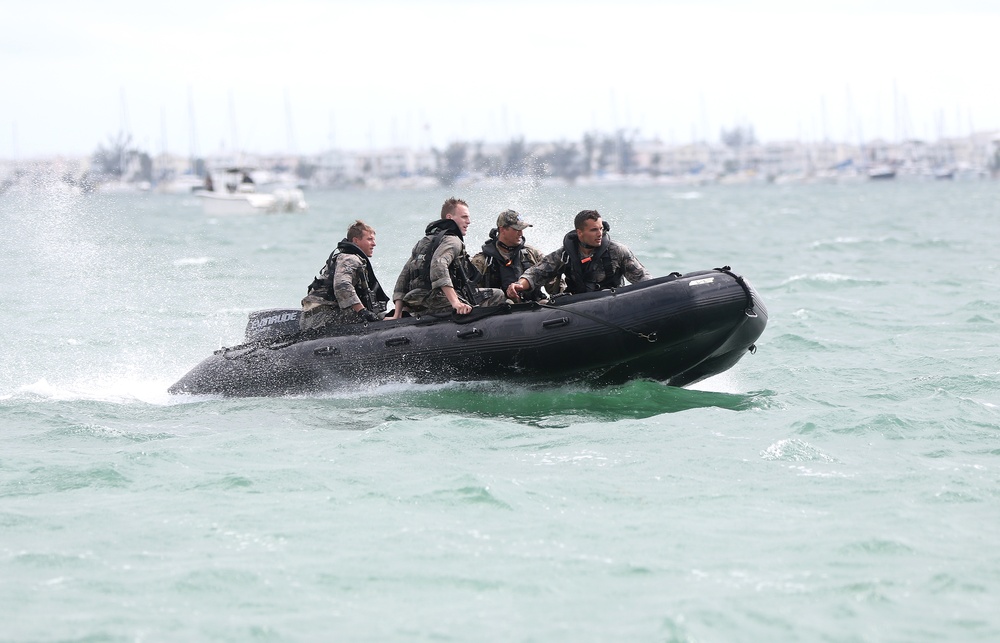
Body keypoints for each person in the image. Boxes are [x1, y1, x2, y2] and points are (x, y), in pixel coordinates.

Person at [389, 197, 506, 317]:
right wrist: (456, 303)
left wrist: (397, 315)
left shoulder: (423, 242)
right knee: (498, 294)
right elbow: (438, 264)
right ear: (450, 218)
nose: (469, 221)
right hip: (438, 300)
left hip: (416, 301)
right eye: (464, 217)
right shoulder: (452, 240)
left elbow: (403, 278)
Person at [507, 209, 650, 300]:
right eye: (594, 230)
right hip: (580, 309)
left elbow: (644, 280)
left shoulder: (617, 251)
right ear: (580, 233)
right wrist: (519, 285)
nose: (600, 234)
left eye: (601, 229)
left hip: (613, 304)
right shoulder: (565, 254)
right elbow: (537, 273)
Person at [300, 220, 389, 331]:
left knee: (379, 316)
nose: (374, 243)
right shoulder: (350, 258)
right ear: (356, 241)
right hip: (322, 317)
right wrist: (362, 311)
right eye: (369, 239)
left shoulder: (347, 257)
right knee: (378, 319)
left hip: (322, 314)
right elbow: (342, 286)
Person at [470, 209, 559, 301]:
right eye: (516, 229)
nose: (521, 233)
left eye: (522, 229)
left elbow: (553, 280)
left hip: (534, 309)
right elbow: (473, 293)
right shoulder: (483, 261)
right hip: (500, 311)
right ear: (502, 230)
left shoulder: (532, 254)